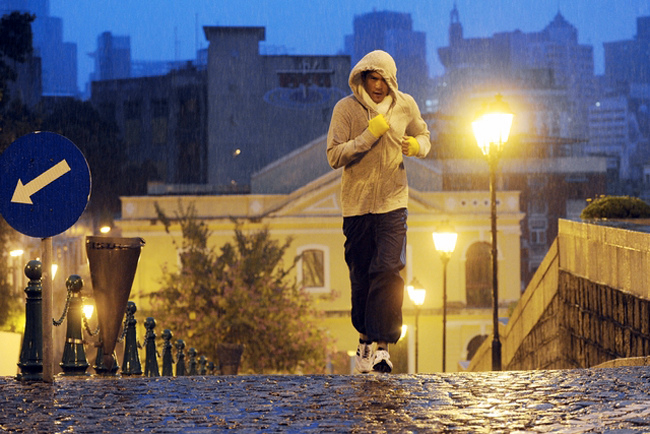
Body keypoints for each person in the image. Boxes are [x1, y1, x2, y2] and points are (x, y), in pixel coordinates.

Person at [326, 50, 430, 373]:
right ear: (362, 78)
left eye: (385, 80)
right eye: (374, 78)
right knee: (362, 276)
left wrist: (415, 147)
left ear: (392, 81)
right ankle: (364, 341)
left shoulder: (406, 106)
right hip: (356, 208)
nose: (379, 86)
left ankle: (383, 347)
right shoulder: (345, 110)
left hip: (393, 203)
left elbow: (425, 136)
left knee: (388, 269)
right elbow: (334, 155)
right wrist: (370, 135)